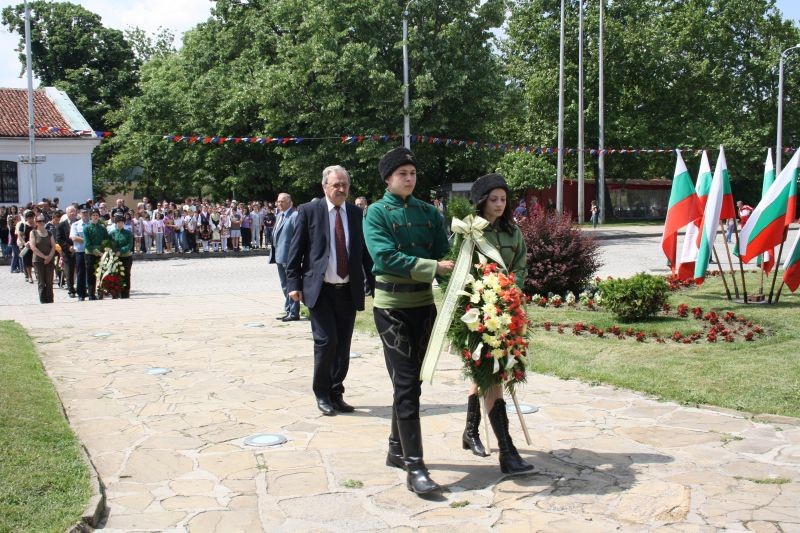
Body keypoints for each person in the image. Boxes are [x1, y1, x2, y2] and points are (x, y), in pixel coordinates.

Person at [364, 147, 453, 495]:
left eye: (412, 173)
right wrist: (433, 268)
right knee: (405, 382)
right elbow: (384, 256)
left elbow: (444, 254)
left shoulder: (429, 213)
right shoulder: (375, 213)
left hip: (424, 306)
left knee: (412, 382)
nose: (409, 178)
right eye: (402, 173)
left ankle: (395, 448)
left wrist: (465, 289)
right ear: (388, 178)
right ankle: (415, 468)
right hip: (391, 309)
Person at [459, 173, 534, 474]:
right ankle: (506, 450)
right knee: (490, 372)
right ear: (482, 201)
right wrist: (482, 294)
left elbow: (521, 264)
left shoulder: (513, 231)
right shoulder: (470, 230)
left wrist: (511, 289)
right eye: (494, 200)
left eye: (503, 199)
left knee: (488, 371)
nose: (500, 204)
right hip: (478, 310)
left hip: (507, 308)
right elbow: (462, 269)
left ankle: (470, 431)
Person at [287, 166, 372, 416]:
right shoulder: (309, 211)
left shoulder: (356, 213)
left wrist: (374, 282)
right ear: (325, 186)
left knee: (343, 345)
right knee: (327, 342)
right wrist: (293, 285)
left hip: (348, 290)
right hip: (320, 290)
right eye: (336, 185)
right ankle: (321, 392)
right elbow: (296, 251)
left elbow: (364, 253)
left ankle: (336, 392)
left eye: (344, 184)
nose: (341, 189)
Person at [272, 193, 300, 321]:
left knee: (291, 284)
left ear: (290, 202)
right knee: (284, 285)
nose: (279, 204)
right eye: (278, 201)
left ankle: (294, 312)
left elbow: (297, 236)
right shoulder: (279, 215)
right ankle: (288, 310)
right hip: (279, 255)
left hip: (289, 256)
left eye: (282, 201)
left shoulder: (294, 216)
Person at [28, 213, 57, 303]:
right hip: (38, 261)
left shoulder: (49, 233)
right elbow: (33, 247)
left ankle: (50, 300)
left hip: (49, 260)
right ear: (36, 222)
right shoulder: (33, 233)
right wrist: (44, 257)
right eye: (39, 221)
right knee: (41, 282)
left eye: (43, 221)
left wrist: (49, 257)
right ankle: (43, 301)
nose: (41, 223)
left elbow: (53, 246)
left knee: (49, 282)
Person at [84, 208, 109, 300]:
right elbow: (87, 244)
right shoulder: (87, 228)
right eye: (93, 215)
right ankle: (91, 294)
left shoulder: (102, 228)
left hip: (102, 253)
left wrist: (105, 250)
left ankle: (101, 292)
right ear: (90, 216)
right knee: (91, 274)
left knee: (102, 273)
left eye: (97, 215)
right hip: (91, 253)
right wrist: (98, 253)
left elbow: (106, 240)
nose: (95, 217)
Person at [109, 214, 134, 298]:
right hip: (115, 257)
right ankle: (116, 292)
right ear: (116, 223)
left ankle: (125, 293)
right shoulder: (112, 233)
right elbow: (109, 244)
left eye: (122, 222)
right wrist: (115, 251)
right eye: (118, 222)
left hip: (126, 256)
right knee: (115, 274)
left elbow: (129, 245)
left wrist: (121, 251)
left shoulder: (128, 233)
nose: (120, 224)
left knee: (126, 274)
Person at [56, 205, 78, 297]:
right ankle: (71, 289)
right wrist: (68, 247)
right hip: (67, 251)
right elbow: (59, 239)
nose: (72, 213)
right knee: (69, 271)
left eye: (74, 211)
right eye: (70, 212)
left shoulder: (79, 223)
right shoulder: (61, 225)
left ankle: (81, 288)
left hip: (79, 250)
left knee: (80, 270)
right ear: (67, 213)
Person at [70, 208, 89, 300]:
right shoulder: (75, 224)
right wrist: (88, 240)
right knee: (80, 273)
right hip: (80, 252)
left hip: (90, 252)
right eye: (83, 213)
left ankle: (90, 292)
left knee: (90, 272)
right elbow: (74, 238)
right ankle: (81, 294)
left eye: (86, 213)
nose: (85, 214)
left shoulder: (91, 224)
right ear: (80, 214)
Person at [17, 210, 35, 283]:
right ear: (26, 218)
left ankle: (38, 274)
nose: (31, 219)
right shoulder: (23, 225)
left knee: (35, 261)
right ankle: (30, 276)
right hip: (27, 246)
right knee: (27, 262)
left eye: (32, 217)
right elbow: (20, 236)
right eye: (29, 218)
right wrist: (24, 244)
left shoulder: (36, 224)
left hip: (35, 245)